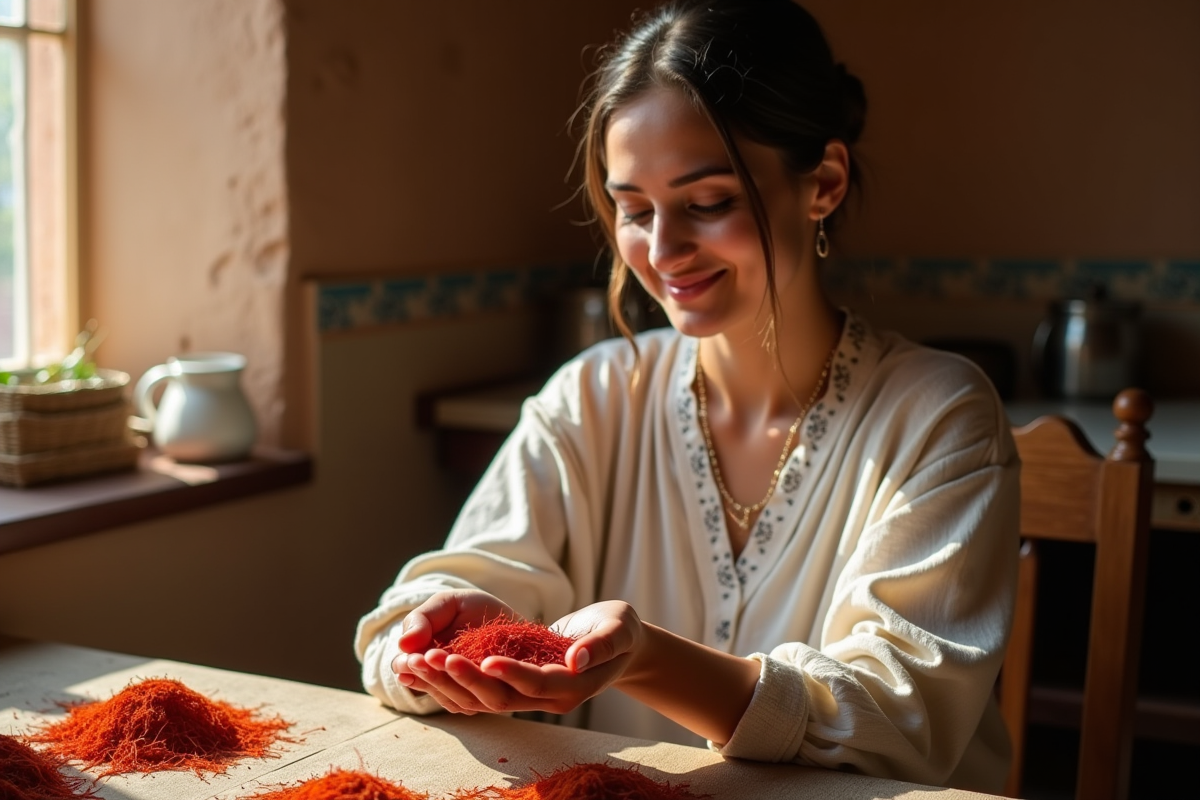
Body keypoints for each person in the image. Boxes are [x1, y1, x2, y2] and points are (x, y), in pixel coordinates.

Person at [356, 0, 1019, 792]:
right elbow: (416, 612)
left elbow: (895, 718)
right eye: (634, 209)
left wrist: (646, 659)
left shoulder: (939, 416)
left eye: (707, 203)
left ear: (824, 184)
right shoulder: (595, 396)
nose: (663, 251)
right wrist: (434, 634)